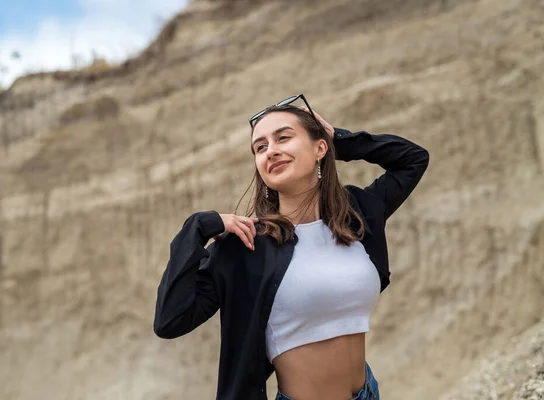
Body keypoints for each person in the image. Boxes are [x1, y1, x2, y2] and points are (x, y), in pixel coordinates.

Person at [153, 94, 430, 400]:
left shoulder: (356, 214)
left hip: (368, 393)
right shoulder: (248, 243)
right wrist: (198, 227)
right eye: (260, 147)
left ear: (319, 148)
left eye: (283, 138)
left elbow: (413, 159)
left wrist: (339, 138)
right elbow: (170, 320)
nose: (271, 151)